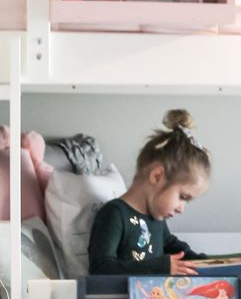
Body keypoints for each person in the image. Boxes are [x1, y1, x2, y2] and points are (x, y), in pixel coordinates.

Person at [88, 109, 210, 276]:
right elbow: (100, 268)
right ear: (157, 176)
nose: (182, 208)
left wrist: (205, 264)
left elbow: (174, 247)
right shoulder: (114, 214)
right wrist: (160, 267)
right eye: (183, 197)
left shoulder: (157, 220)